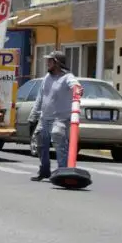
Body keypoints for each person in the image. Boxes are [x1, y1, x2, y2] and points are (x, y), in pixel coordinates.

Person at [28, 50, 79, 181]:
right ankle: (44, 170)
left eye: (50, 61)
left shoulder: (68, 77)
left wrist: (77, 89)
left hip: (60, 119)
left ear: (57, 63)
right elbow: (40, 97)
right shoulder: (47, 77)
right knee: (39, 142)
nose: (47, 63)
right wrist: (33, 116)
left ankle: (63, 172)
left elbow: (75, 85)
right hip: (44, 118)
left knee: (58, 138)